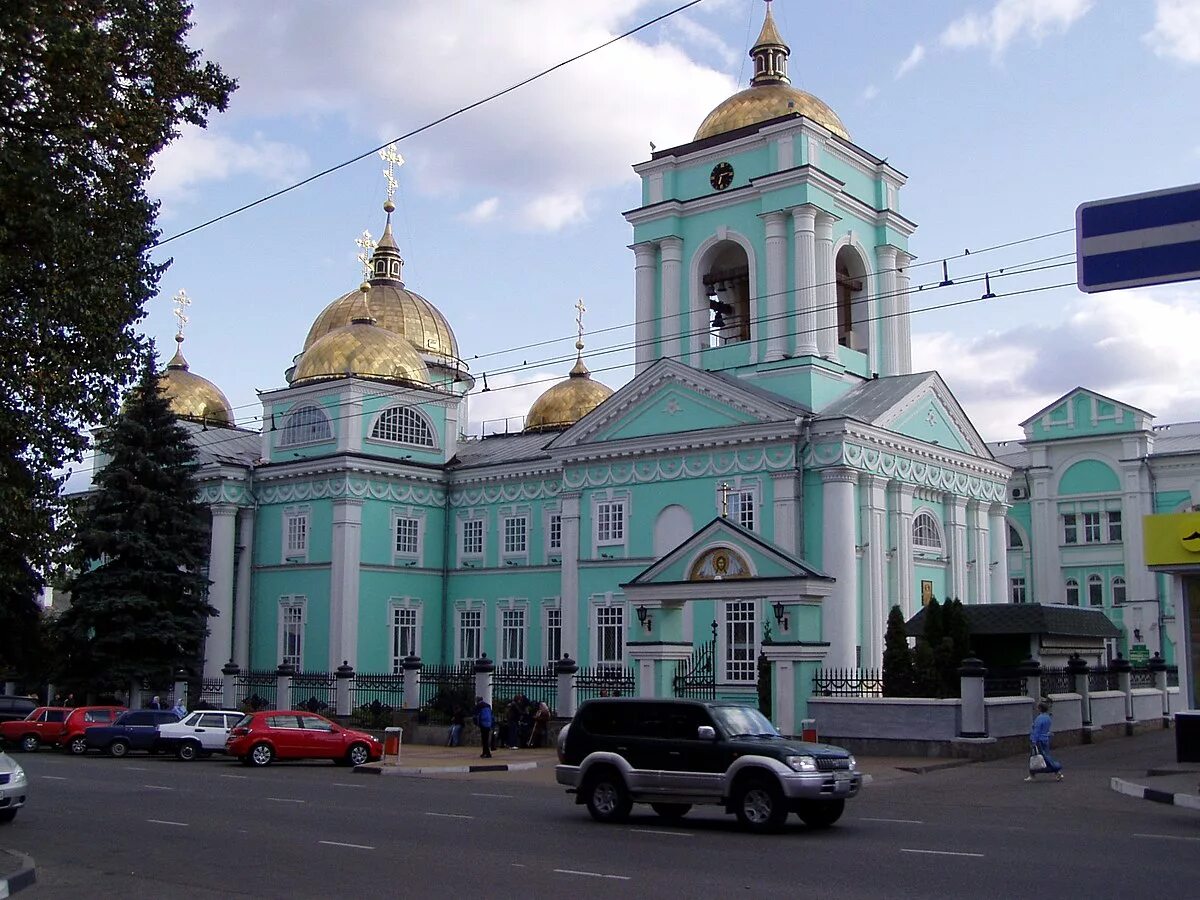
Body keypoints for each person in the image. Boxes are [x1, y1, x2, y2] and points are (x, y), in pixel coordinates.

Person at [1026, 701, 1064, 782]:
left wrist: (1033, 741)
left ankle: (1056, 770)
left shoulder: (1039, 719)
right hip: (1045, 738)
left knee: (1037, 757)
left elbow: (1037, 731)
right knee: (1044, 756)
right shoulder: (1048, 717)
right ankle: (1033, 774)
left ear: (1040, 709)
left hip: (1039, 740)